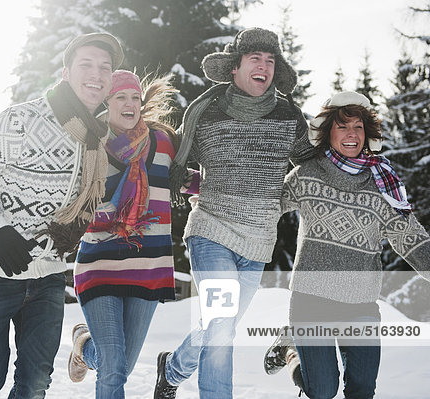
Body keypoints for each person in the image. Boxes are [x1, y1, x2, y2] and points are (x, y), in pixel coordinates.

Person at [0, 32, 123, 399]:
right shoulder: (23, 119)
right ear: (65, 73)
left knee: (35, 384)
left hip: (48, 277)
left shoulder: (99, 139)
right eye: (86, 65)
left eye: (105, 68)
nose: (96, 74)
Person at [153, 27, 316, 399]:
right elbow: (172, 162)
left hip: (258, 243)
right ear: (235, 68)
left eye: (270, 61)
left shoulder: (290, 117)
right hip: (211, 231)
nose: (264, 67)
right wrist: (191, 184)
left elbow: (312, 168)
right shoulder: (207, 113)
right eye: (255, 59)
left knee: (217, 326)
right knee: (222, 325)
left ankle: (173, 369)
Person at [263, 91, 430, 398]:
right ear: (328, 132)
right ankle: (291, 350)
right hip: (310, 300)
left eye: (358, 127)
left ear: (368, 135)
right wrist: (218, 198)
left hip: (360, 304)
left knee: (362, 389)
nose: (352, 134)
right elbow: (266, 204)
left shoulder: (382, 185)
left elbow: (412, 239)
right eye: (343, 126)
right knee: (322, 389)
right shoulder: (308, 174)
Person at [66, 69, 199, 399]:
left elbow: (187, 180)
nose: (129, 104)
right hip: (98, 263)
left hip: (148, 268)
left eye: (135, 98)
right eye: (121, 97)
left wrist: (222, 189)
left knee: (121, 366)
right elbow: (69, 197)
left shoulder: (164, 143)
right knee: (112, 368)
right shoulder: (89, 143)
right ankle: (90, 346)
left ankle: (84, 345)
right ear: (106, 101)